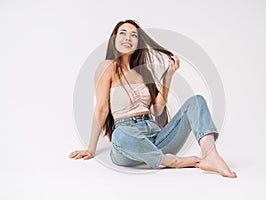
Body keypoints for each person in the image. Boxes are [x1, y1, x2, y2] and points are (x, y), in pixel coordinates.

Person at [69, 19, 237, 178]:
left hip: (156, 138)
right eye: (123, 33)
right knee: (119, 135)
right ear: (114, 39)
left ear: (138, 43)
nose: (128, 38)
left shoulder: (143, 73)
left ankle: (210, 155)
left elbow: (157, 109)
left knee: (197, 101)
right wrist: (91, 148)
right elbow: (101, 108)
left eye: (134, 35)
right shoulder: (107, 66)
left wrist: (169, 75)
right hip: (127, 143)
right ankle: (172, 161)